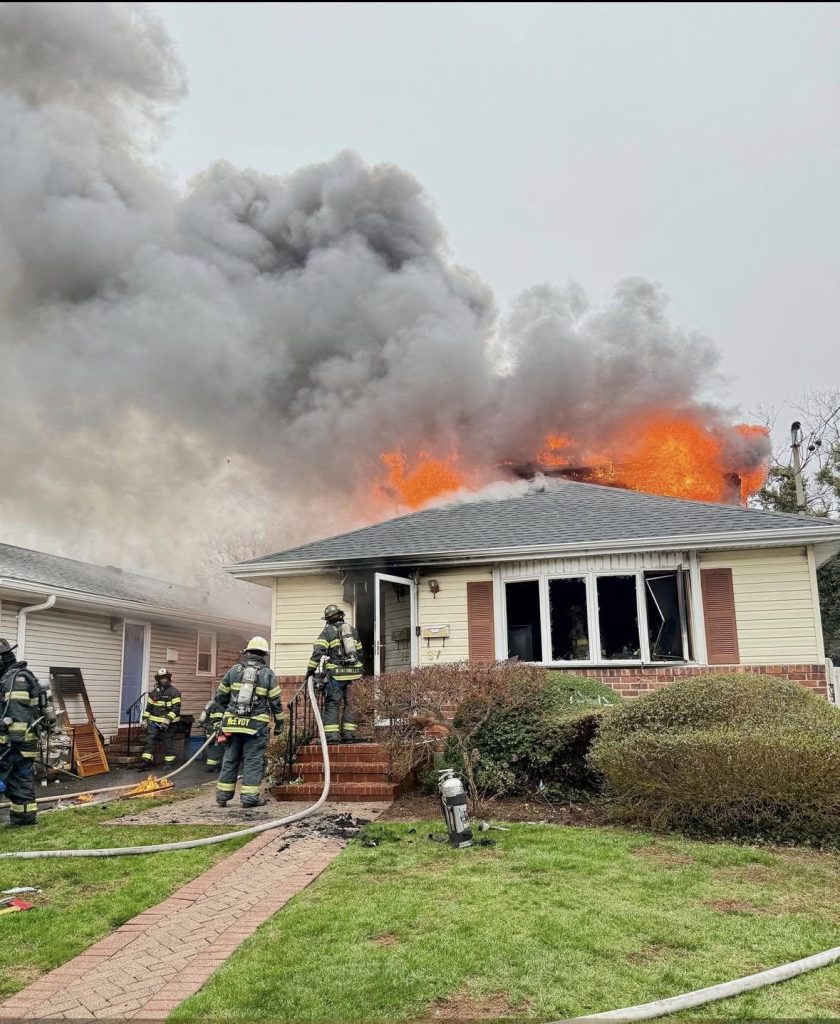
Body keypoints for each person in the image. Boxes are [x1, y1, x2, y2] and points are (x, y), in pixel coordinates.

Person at [215, 637, 282, 808]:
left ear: (247, 652)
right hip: (255, 726)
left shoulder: (234, 670)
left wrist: (229, 710)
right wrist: (280, 723)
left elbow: (220, 696)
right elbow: (275, 702)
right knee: (253, 761)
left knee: (230, 759)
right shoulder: (267, 674)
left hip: (232, 723)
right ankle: (249, 798)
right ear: (264, 654)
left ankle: (222, 796)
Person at [0, 638, 57, 827]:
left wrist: (11, 743)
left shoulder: (14, 680)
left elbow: (17, 714)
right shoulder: (19, 676)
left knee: (9, 780)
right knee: (20, 782)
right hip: (24, 745)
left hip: (13, 744)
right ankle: (24, 819)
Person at [306, 604, 364, 744]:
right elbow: (360, 653)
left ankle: (332, 736)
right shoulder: (352, 630)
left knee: (333, 703)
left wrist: (310, 670)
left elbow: (318, 652)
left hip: (336, 676)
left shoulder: (327, 632)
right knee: (351, 704)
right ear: (341, 616)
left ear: (328, 619)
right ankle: (348, 735)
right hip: (355, 675)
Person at [139, 667, 182, 769]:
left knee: (167, 741)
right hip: (155, 723)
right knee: (150, 740)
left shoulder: (174, 692)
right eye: (161, 678)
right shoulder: (154, 692)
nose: (163, 680)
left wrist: (168, 720)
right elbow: (149, 708)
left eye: (165, 678)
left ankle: (169, 763)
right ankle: (145, 762)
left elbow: (176, 708)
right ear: (158, 679)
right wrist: (144, 719)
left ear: (169, 678)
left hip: (170, 724)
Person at [197, 695, 225, 772]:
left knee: (213, 748)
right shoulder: (219, 708)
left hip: (209, 732)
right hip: (215, 733)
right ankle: (211, 767)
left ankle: (215, 765)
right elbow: (217, 720)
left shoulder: (211, 707)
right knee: (216, 749)